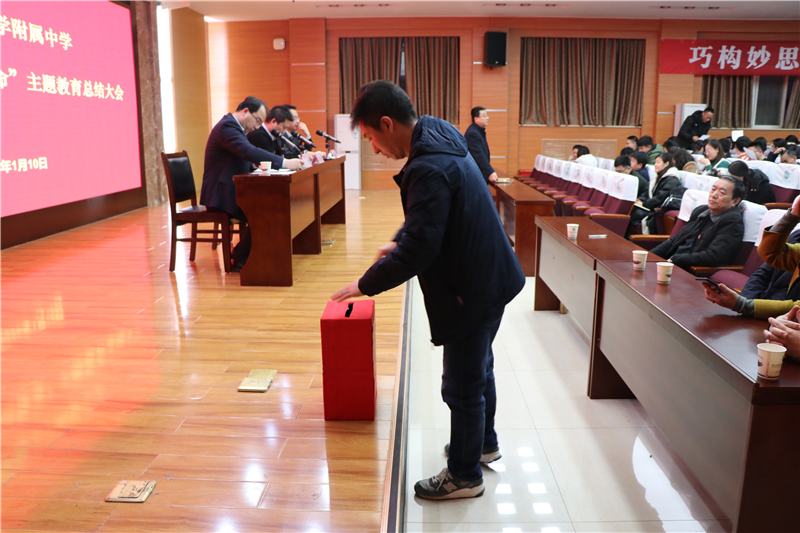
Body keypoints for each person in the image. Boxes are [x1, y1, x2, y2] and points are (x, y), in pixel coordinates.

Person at [331, 80, 525, 501]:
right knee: (480, 367)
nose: (375, 149)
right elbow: (431, 215)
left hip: (471, 287)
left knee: (461, 385)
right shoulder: (439, 133)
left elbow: (421, 249)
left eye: (371, 138)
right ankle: (483, 444)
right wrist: (401, 238)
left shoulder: (426, 166)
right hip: (492, 274)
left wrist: (365, 283)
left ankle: (464, 475)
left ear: (387, 123)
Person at [200, 96, 304, 271]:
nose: (257, 126)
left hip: (230, 189)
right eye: (257, 120)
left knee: (271, 205)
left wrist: (255, 166)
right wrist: (284, 162)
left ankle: (251, 254)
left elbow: (241, 157)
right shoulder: (227, 126)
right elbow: (247, 150)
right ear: (245, 111)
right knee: (265, 209)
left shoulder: (234, 127)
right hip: (221, 195)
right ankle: (242, 257)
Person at [706, 197, 800, 319]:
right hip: (770, 312)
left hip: (787, 318)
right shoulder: (797, 235)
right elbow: (771, 255)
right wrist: (792, 216)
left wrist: (743, 305)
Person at [651, 176, 744, 270]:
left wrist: (674, 259)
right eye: (713, 189)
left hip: (689, 269)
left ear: (735, 201)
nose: (714, 195)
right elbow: (676, 239)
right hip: (671, 263)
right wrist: (650, 256)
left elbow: (714, 256)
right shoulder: (701, 210)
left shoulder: (732, 222)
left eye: (722, 192)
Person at [630, 151, 681, 233]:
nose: (655, 165)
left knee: (632, 213)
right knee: (631, 207)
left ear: (666, 164)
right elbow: (646, 191)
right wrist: (640, 200)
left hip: (656, 210)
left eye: (658, 162)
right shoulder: (658, 176)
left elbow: (660, 198)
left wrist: (644, 204)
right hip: (650, 206)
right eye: (655, 162)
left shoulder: (672, 180)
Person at [464, 106, 497, 184]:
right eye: (484, 116)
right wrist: (490, 172)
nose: (487, 118)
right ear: (476, 118)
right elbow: (479, 155)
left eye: (487, 116)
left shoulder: (478, 131)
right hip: (475, 176)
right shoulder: (472, 133)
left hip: (479, 174)